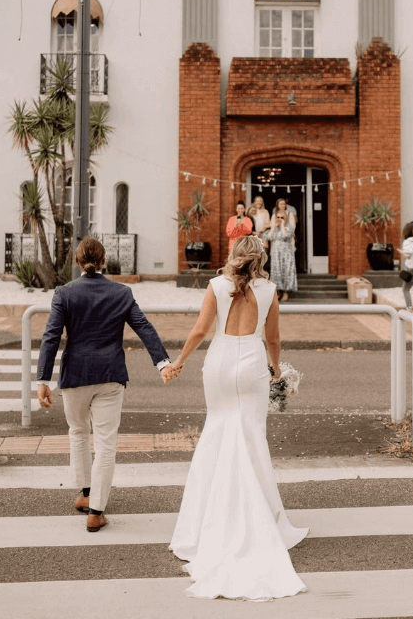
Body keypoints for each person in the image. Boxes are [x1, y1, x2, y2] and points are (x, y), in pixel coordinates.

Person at [164, 234, 308, 600]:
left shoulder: (216, 286)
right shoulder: (270, 291)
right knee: (251, 436)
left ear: (234, 255)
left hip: (220, 363)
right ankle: (260, 516)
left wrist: (178, 362)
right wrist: (276, 370)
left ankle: (204, 522)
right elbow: (273, 339)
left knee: (216, 430)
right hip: (251, 365)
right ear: (261, 259)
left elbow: (200, 330)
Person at [36, 236, 171, 532]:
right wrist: (162, 363)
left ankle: (86, 493)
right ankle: (96, 511)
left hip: (75, 375)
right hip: (110, 374)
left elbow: (51, 335)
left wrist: (43, 379)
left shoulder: (64, 293)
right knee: (106, 443)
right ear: (104, 261)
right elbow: (143, 327)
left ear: (77, 262)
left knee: (78, 432)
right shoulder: (121, 292)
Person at [265, 199, 297, 302]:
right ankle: (278, 292)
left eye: (281, 217)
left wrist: (282, 225)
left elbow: (286, 235)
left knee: (286, 270)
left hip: (286, 249)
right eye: (278, 217)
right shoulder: (274, 222)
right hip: (276, 250)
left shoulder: (289, 223)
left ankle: (286, 292)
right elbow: (269, 236)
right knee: (276, 271)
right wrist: (274, 227)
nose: (279, 219)